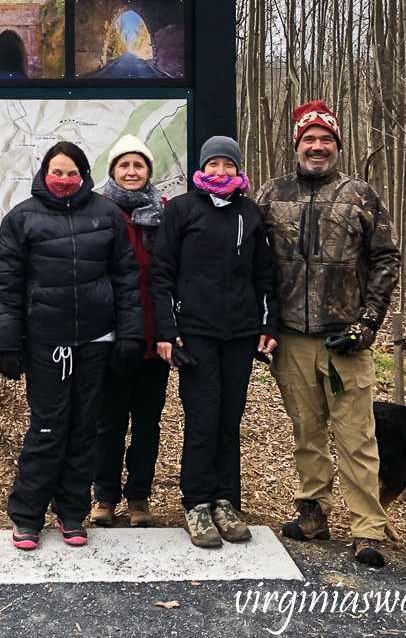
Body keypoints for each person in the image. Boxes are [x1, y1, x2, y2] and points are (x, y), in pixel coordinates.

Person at [256, 101, 401, 568]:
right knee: (307, 430)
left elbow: (387, 259)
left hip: (346, 340)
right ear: (296, 144)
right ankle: (312, 512)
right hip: (291, 337)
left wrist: (368, 323)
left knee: (357, 435)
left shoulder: (360, 194)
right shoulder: (271, 195)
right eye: (309, 140)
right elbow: (250, 262)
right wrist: (262, 322)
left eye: (326, 140)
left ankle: (368, 529)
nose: (317, 147)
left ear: (337, 145)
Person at [0, 141, 145, 550]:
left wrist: (131, 334)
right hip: (46, 344)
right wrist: (9, 344)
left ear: (84, 175)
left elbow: (126, 279)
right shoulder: (22, 219)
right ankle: (27, 517)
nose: (64, 179)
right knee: (47, 429)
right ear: (44, 173)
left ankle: (72, 513)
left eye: (71, 172)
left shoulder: (106, 214)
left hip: (96, 342)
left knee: (84, 431)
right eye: (56, 172)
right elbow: (8, 288)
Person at [150, 136, 279, 548]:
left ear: (238, 170)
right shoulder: (182, 210)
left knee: (229, 419)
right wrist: (167, 331)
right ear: (203, 168)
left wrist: (268, 324)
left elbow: (264, 276)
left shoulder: (250, 213)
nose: (221, 172)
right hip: (196, 335)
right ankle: (197, 504)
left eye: (228, 165)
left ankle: (226, 500)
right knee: (202, 420)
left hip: (240, 335)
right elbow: (162, 275)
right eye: (214, 164)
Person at [90, 135, 171, 529]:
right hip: (111, 335)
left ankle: (139, 498)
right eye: (124, 165)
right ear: (113, 171)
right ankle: (103, 496)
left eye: (139, 165)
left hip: (156, 338)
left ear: (148, 172)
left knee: (147, 422)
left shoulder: (166, 212)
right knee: (108, 422)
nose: (132, 171)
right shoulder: (97, 211)